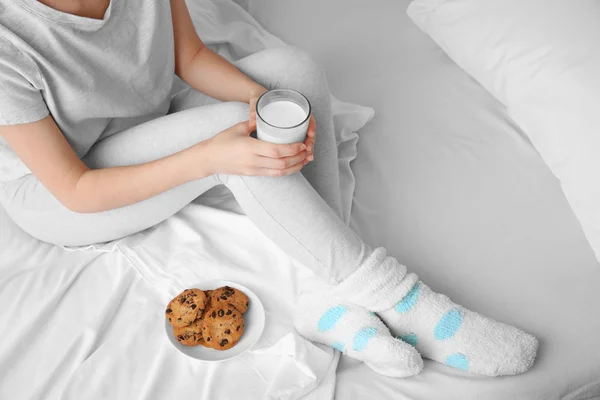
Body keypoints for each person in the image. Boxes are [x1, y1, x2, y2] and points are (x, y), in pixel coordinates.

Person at [0, 0, 537, 377]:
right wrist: (209, 159)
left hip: (145, 123)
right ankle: (397, 298)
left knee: (291, 75)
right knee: (224, 135)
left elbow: (187, 58)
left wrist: (264, 102)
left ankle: (323, 294)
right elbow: (75, 189)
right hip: (62, 188)